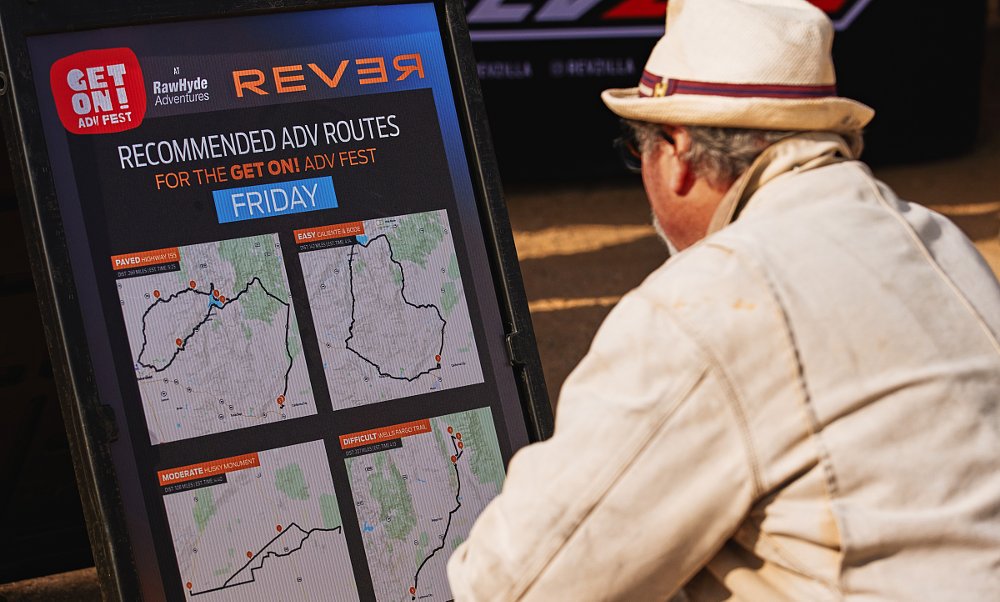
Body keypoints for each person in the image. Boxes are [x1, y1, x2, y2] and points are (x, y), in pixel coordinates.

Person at [446, 0, 1000, 599]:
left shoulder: (705, 301)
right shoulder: (937, 239)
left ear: (677, 154)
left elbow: (517, 585)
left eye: (638, 149)